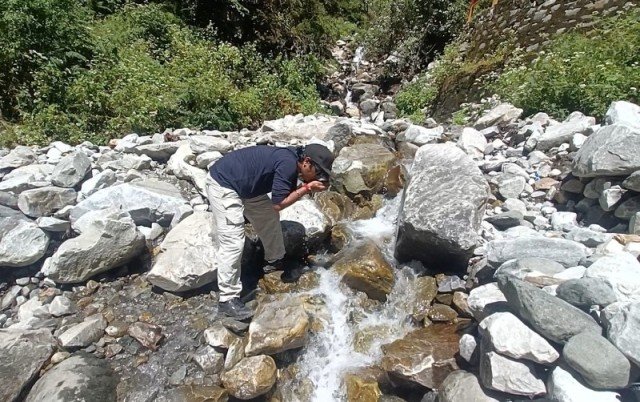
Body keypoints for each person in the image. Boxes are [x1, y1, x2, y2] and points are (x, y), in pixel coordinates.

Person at [206, 143, 335, 320]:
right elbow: (279, 203)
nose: (319, 177)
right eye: (319, 173)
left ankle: (275, 260)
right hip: (224, 183)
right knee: (233, 242)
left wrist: (306, 184)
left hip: (249, 187)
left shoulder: (293, 162)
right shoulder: (287, 164)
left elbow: (280, 199)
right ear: (306, 162)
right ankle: (227, 300)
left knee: (269, 220)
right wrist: (307, 188)